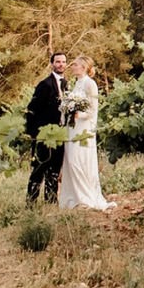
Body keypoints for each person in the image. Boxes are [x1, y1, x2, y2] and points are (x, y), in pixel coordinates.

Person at [58, 56, 115, 211]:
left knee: (79, 160)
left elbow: (93, 110)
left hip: (83, 128)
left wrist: (79, 115)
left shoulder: (90, 84)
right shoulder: (76, 83)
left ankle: (86, 198)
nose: (72, 67)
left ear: (83, 67)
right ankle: (75, 198)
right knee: (70, 161)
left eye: (75, 64)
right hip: (72, 128)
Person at [25, 51, 68, 204]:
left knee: (55, 169)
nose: (61, 65)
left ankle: (51, 202)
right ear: (52, 64)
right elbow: (32, 110)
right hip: (45, 134)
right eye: (58, 62)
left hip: (60, 134)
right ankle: (31, 203)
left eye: (63, 62)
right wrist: (34, 134)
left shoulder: (66, 84)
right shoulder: (45, 85)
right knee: (40, 168)